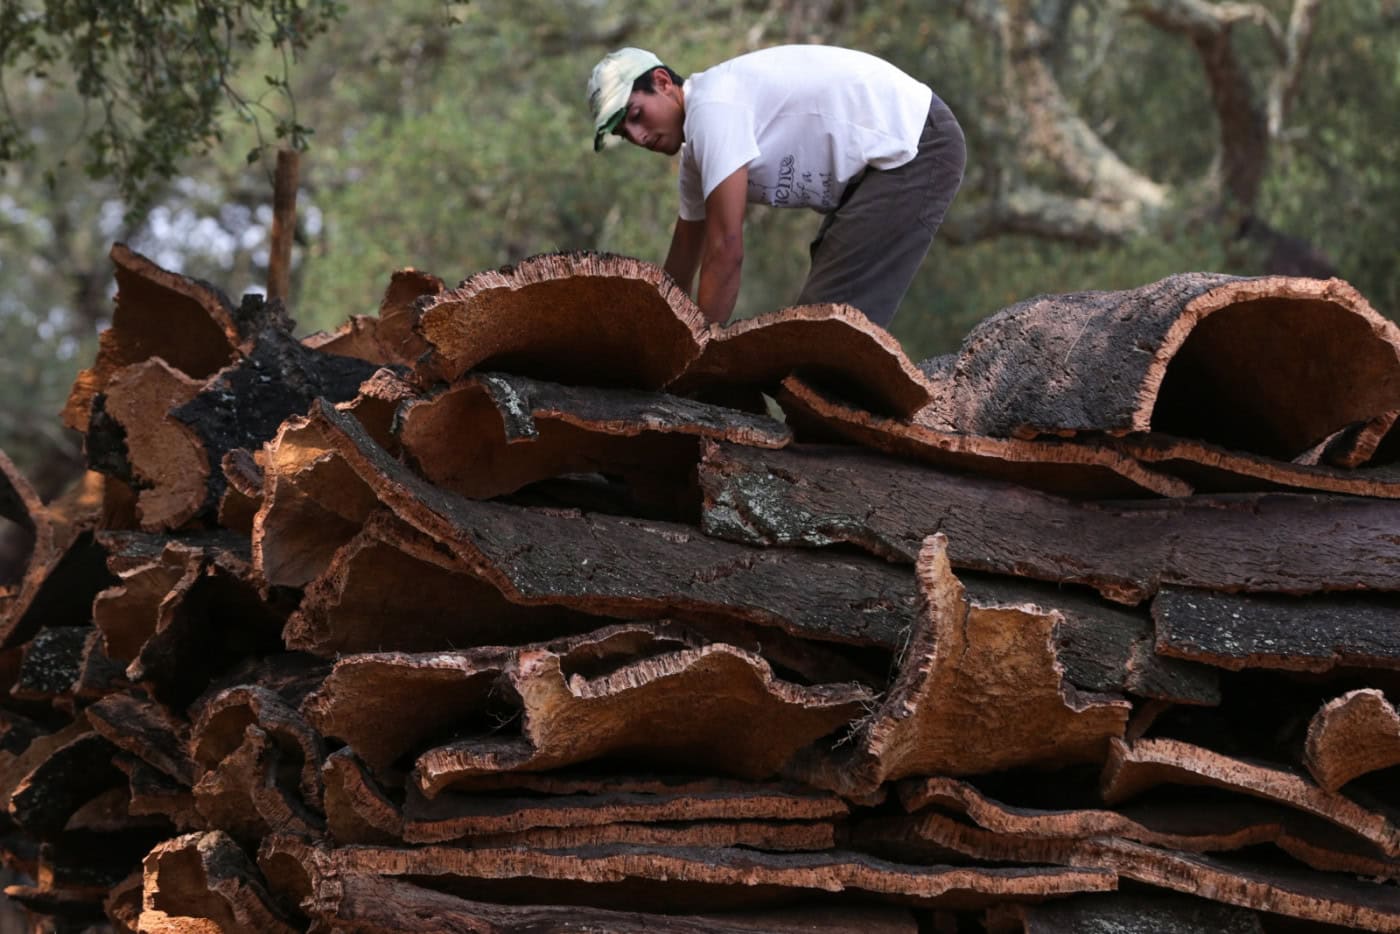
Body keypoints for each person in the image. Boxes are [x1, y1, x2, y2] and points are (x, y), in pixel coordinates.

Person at [587, 45, 965, 328]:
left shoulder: (713, 109)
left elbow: (725, 251)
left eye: (636, 115)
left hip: (917, 144)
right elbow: (681, 267)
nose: (638, 136)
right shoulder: (695, 159)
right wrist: (645, 340)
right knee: (818, 328)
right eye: (625, 133)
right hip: (875, 174)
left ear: (663, 82)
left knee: (824, 334)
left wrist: (695, 361)